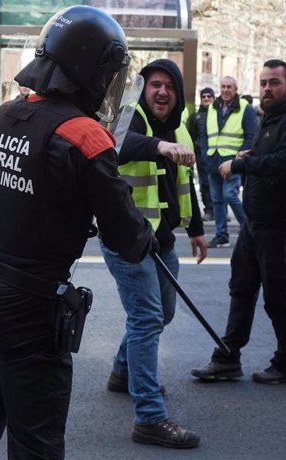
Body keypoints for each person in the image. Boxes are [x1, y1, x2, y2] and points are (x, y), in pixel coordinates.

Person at [0, 6, 155, 458]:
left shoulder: (5, 115)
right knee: (36, 438)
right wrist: (146, 236)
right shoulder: (84, 134)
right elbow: (125, 235)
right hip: (27, 307)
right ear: (94, 69)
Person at [191, 59, 286, 384]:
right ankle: (227, 358)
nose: (267, 88)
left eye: (274, 82)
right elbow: (270, 156)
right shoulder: (271, 119)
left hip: (284, 227)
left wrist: (240, 166)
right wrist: (250, 155)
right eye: (263, 82)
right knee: (241, 289)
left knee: (277, 298)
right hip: (256, 223)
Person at [103, 58, 206, 449]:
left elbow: (186, 180)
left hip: (162, 240)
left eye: (169, 86)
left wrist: (196, 229)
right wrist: (160, 146)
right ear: (144, 90)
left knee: (162, 313)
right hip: (127, 239)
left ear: (178, 94)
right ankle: (148, 415)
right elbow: (118, 147)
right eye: (154, 85)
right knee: (146, 319)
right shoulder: (130, 120)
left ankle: (121, 371)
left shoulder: (180, 126)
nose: (161, 92)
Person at [201, 76, 258, 248]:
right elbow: (204, 135)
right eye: (223, 86)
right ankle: (221, 235)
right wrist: (205, 155)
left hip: (232, 162)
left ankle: (248, 228)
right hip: (213, 160)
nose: (225, 90)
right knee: (217, 200)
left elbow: (251, 136)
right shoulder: (212, 108)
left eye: (229, 87)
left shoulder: (245, 109)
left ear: (235, 89)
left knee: (229, 195)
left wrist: (239, 158)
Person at [188, 87, 215, 221]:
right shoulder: (195, 117)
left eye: (209, 96)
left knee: (217, 184)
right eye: (204, 96)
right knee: (205, 183)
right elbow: (192, 136)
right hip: (200, 156)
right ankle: (209, 210)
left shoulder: (218, 115)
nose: (206, 99)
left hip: (216, 155)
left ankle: (218, 210)